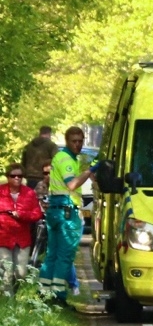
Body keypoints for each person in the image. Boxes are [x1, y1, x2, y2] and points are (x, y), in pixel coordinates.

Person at [41, 126, 93, 305]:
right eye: (74, 141)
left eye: (80, 141)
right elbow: (71, 185)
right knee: (64, 256)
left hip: (56, 209)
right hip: (66, 212)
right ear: (67, 141)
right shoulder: (67, 160)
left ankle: (44, 293)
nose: (78, 144)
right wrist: (89, 171)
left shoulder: (60, 157)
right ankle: (58, 297)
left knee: (52, 254)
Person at [0, 164, 44, 295]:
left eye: (20, 175)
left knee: (21, 273)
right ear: (8, 177)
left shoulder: (29, 193)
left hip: (22, 239)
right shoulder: (1, 191)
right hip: (3, 237)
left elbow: (37, 214)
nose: (17, 178)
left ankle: (12, 293)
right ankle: (8, 303)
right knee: (6, 271)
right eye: (13, 175)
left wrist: (21, 214)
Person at [20, 127, 55, 195]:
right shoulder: (51, 146)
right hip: (44, 177)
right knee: (41, 199)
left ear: (40, 133)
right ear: (49, 134)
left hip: (29, 177)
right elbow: (56, 160)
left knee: (30, 197)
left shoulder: (28, 146)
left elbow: (23, 162)